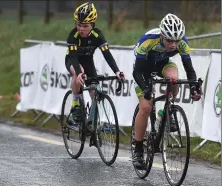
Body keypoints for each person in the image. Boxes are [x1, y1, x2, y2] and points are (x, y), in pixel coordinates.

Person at [132, 13, 201, 170]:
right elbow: (136, 73)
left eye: (176, 40)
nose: (173, 44)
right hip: (143, 70)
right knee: (146, 107)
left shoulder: (182, 43)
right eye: (169, 40)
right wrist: (146, 89)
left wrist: (193, 87)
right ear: (162, 35)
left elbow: (189, 69)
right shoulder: (148, 41)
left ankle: (167, 112)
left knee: (173, 79)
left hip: (163, 64)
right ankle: (138, 149)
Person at [65, 2, 124, 146]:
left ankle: (93, 127)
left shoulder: (98, 35)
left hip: (88, 61)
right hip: (73, 61)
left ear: (93, 25)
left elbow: (107, 55)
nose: (81, 28)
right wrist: (79, 73)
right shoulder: (73, 36)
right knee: (79, 74)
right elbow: (73, 57)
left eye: (85, 26)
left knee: (94, 91)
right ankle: (75, 106)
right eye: (79, 24)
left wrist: (117, 71)